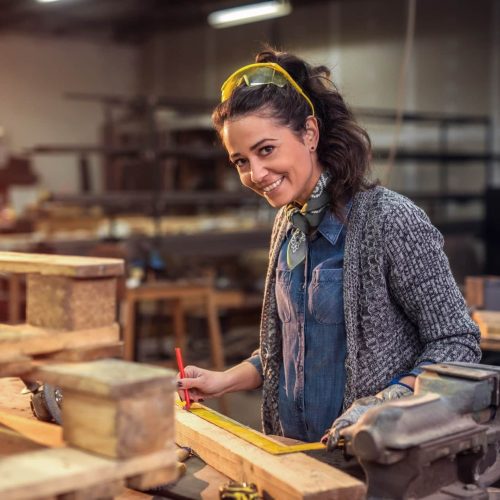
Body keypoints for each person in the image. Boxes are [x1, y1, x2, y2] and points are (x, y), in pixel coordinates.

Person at [176, 47, 481, 450]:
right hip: (294, 456)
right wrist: (223, 380)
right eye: (241, 161)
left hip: (370, 463)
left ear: (310, 134)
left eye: (266, 150)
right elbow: (287, 349)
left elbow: (458, 342)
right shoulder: (288, 224)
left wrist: (386, 404)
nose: (256, 174)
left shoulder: (389, 220)